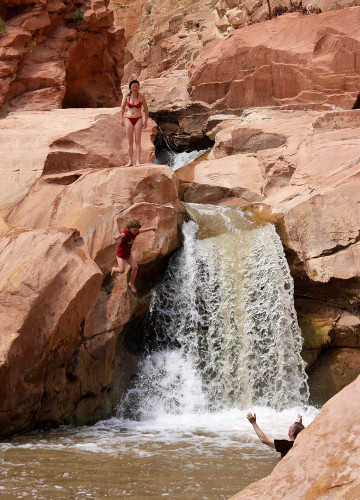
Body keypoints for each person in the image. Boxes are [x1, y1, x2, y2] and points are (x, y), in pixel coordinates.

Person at [111, 219, 157, 293]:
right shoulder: (126, 233)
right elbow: (121, 235)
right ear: (130, 228)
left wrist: (152, 228)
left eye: (137, 230)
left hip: (128, 254)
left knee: (135, 267)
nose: (137, 231)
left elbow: (144, 230)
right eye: (135, 230)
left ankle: (131, 283)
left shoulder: (135, 232)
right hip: (120, 254)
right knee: (122, 270)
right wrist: (117, 237)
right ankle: (113, 269)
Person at [120, 80, 149, 167]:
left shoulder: (141, 97)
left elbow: (146, 110)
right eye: (133, 87)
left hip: (138, 119)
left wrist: (146, 121)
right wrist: (121, 119)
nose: (135, 88)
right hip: (129, 118)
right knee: (130, 141)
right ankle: (130, 161)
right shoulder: (127, 96)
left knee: (138, 140)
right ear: (130, 87)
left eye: (136, 86)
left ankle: (138, 161)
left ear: (139, 87)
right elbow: (122, 108)